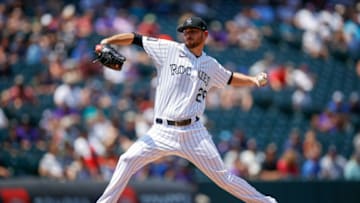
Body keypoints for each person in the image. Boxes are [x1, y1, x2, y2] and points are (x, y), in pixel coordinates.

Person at [95, 16, 277, 203]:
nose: (188, 35)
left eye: (192, 31)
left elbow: (230, 78)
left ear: (205, 35)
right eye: (185, 31)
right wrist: (108, 41)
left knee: (224, 178)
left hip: (194, 133)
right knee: (126, 160)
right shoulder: (169, 49)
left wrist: (253, 80)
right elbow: (135, 38)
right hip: (162, 131)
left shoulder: (210, 64)